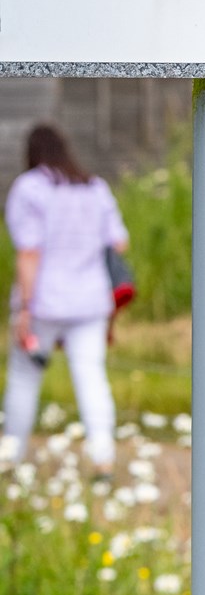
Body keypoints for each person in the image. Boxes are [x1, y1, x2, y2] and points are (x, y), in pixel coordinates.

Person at [1, 123, 129, 477]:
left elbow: (29, 253)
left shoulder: (30, 189)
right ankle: (102, 455)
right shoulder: (94, 186)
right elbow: (119, 242)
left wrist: (24, 309)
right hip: (90, 299)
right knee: (91, 375)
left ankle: (12, 456)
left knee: (25, 378)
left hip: (44, 302)